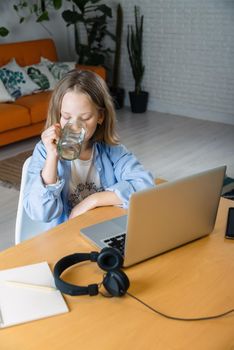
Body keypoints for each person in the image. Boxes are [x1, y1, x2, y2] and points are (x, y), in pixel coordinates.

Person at [23, 70, 155, 231]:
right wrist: (52, 157)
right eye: (66, 116)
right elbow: (40, 212)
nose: (75, 126)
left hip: (105, 227)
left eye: (85, 118)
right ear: (58, 115)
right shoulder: (44, 152)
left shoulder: (112, 151)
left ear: (100, 116)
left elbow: (145, 185)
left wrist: (93, 200)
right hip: (65, 235)